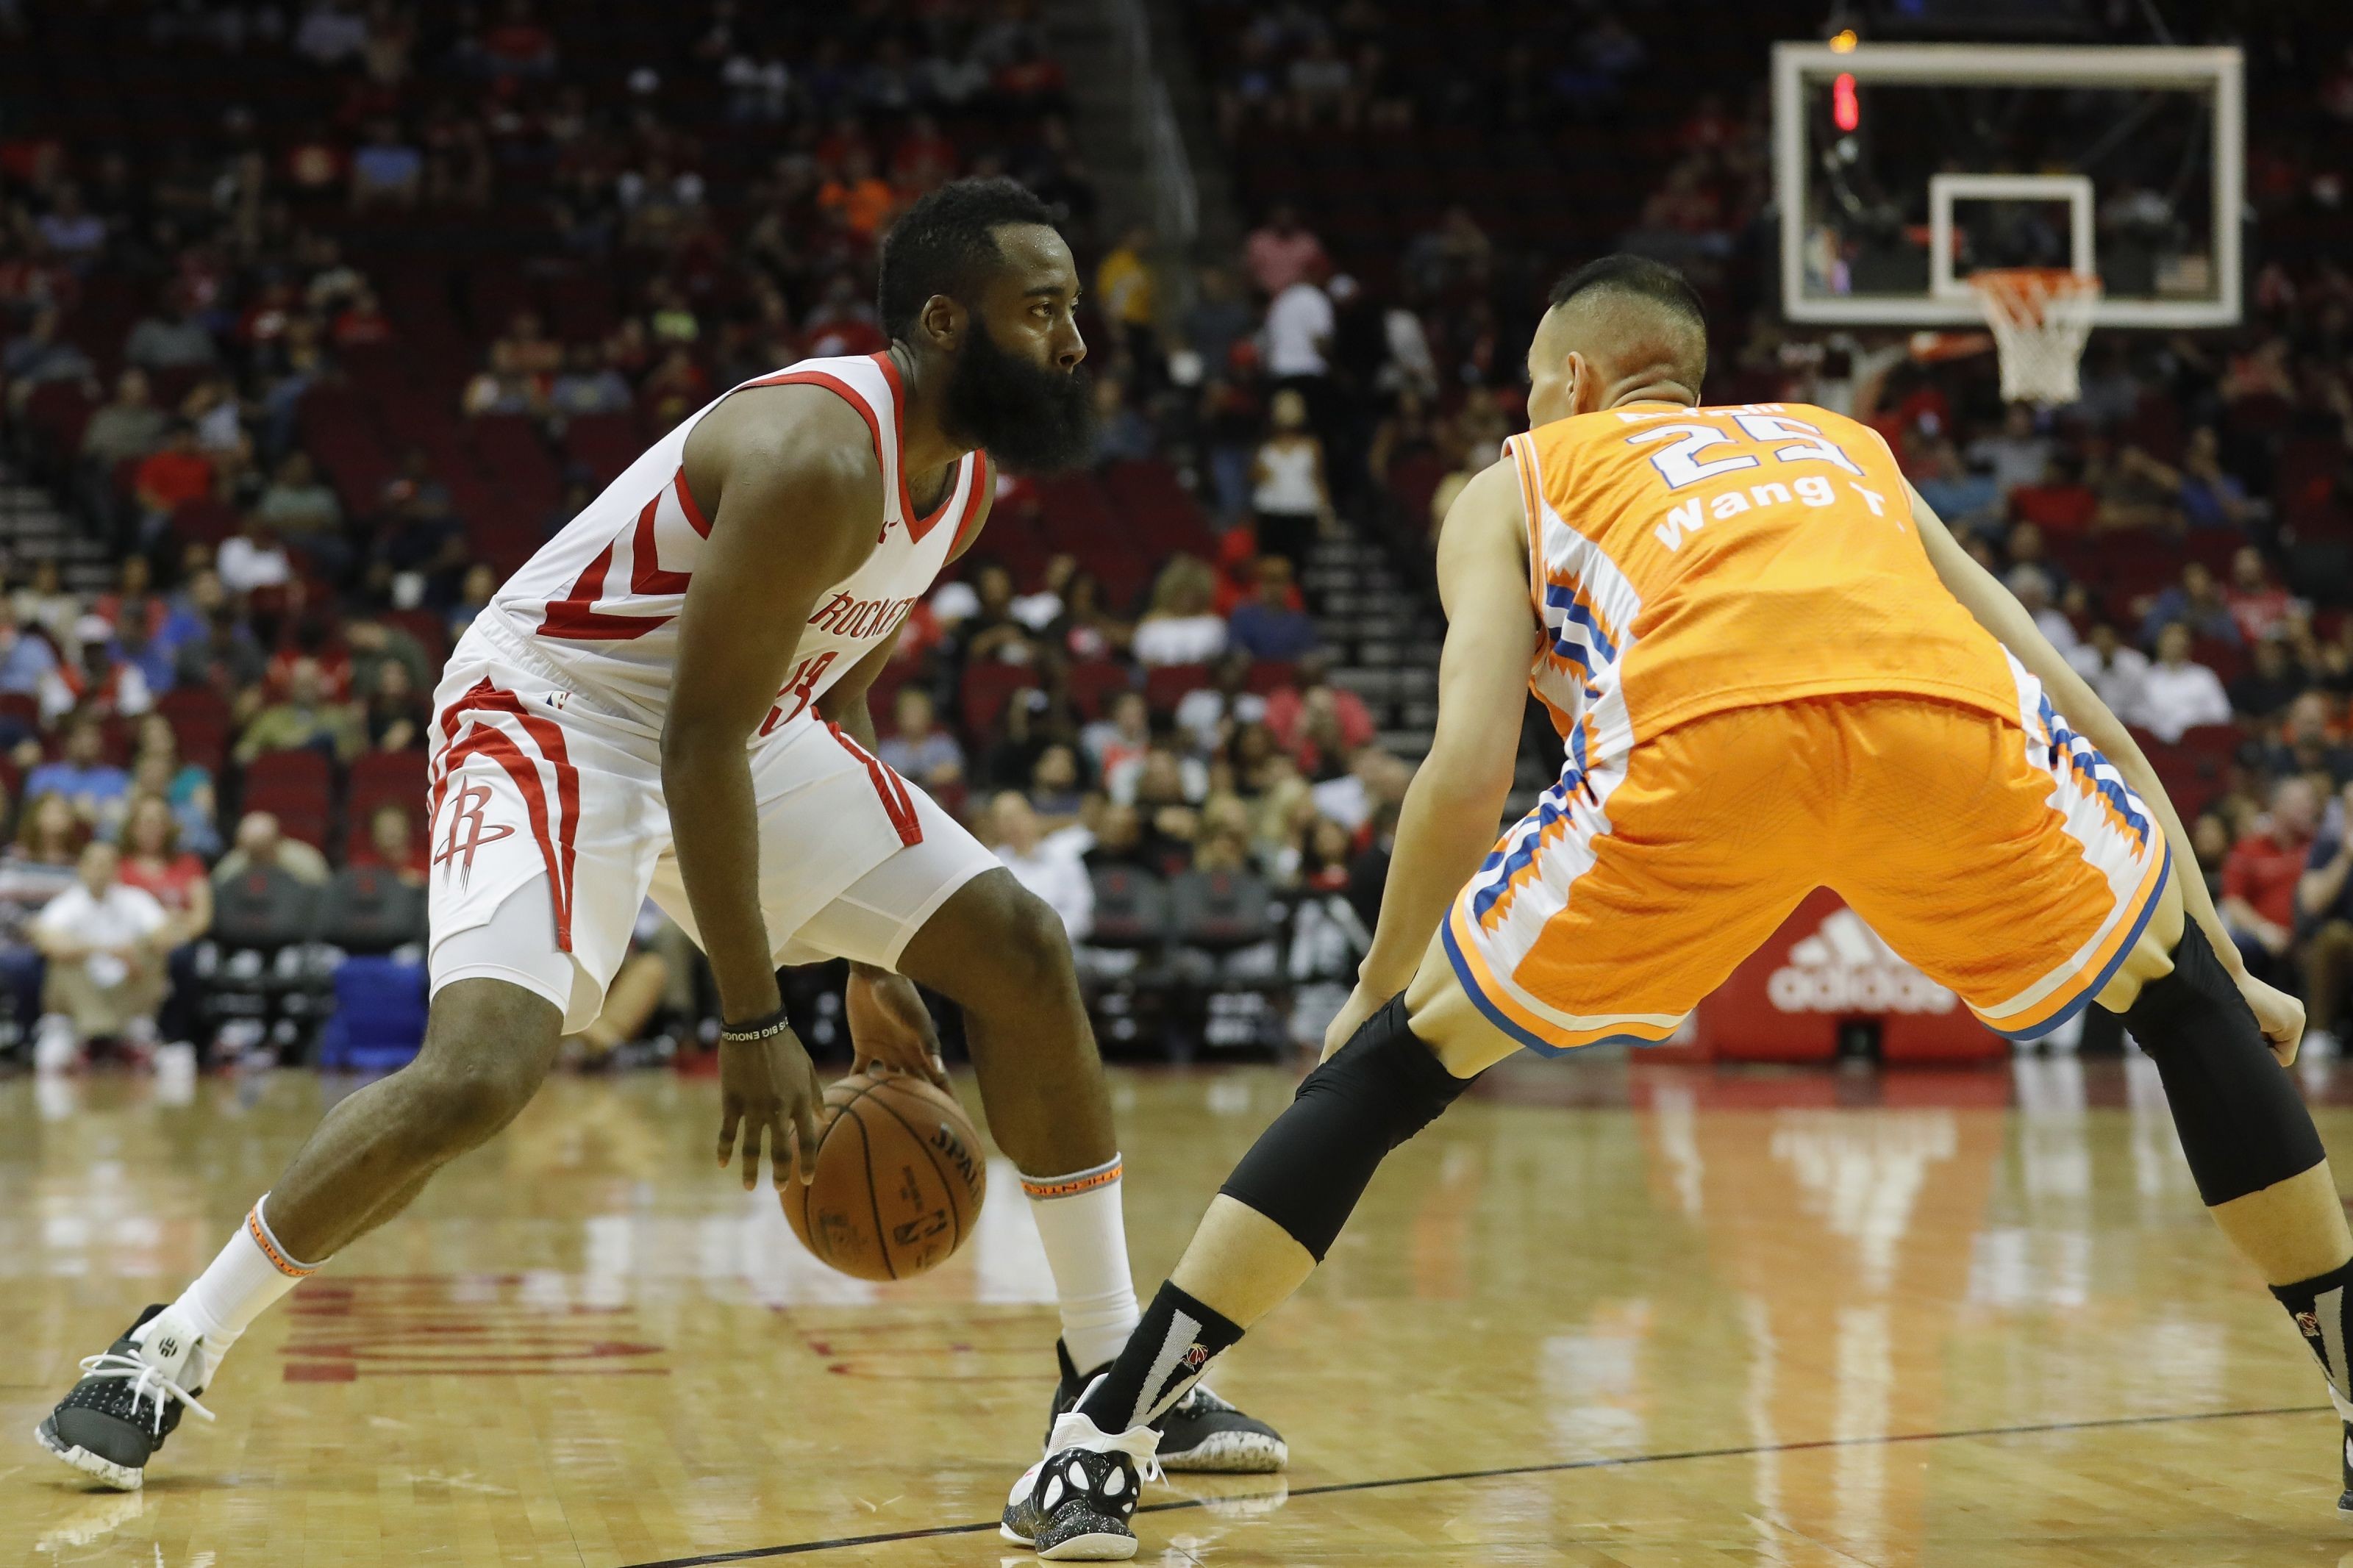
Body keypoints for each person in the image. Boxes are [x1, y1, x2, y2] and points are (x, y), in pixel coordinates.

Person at [999, 254, 2353, 1558]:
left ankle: (1104, 1433)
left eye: (1534, 385)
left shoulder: (1523, 477)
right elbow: (2080, 705)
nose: (1528, 407)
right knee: (2179, 1004)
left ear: (1575, 381)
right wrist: (2226, 968)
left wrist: (1374, 993)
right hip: (1946, 733)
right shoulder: (1845, 445)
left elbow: (1466, 770)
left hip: (1700, 747)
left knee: (1396, 1067)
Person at [38, 176, 1279, 1492]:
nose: (1076, 341)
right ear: (944, 321)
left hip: (747, 726)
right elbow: (694, 744)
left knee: (1019, 947)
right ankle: (168, 1343)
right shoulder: (817, 456)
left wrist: (877, 954)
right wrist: (754, 1020)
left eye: (1072, 310)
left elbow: (833, 689)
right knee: (480, 1073)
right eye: (1043, 309)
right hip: (558, 707)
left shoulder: (958, 483)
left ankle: (1112, 1371)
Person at [30, 841, 171, 1069]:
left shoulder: (136, 899)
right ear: (82, 868)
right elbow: (47, 941)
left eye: (106, 865)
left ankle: (137, 1032)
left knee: (153, 955)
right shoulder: (67, 903)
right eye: (94, 864)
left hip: (127, 988)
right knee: (63, 959)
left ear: (116, 869)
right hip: (83, 993)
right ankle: (70, 1033)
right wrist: (106, 950)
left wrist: (139, 948)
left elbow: (165, 934)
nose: (100, 871)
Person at [990, 790, 1092, 940]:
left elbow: (1082, 912)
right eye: (1004, 819)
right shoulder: (993, 865)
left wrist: (1049, 937)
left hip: (1062, 944)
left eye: (1016, 815)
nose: (1012, 824)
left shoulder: (1063, 858)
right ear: (996, 827)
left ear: (1032, 815)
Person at [2131, 622, 2234, 743]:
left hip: (2197, 742)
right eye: (2170, 642)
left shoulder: (2204, 676)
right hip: (2157, 744)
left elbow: (2221, 715)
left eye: (2179, 642)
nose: (2175, 646)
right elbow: (2137, 716)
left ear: (2188, 646)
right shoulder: (2146, 678)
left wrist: (2192, 727)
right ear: (2159, 644)